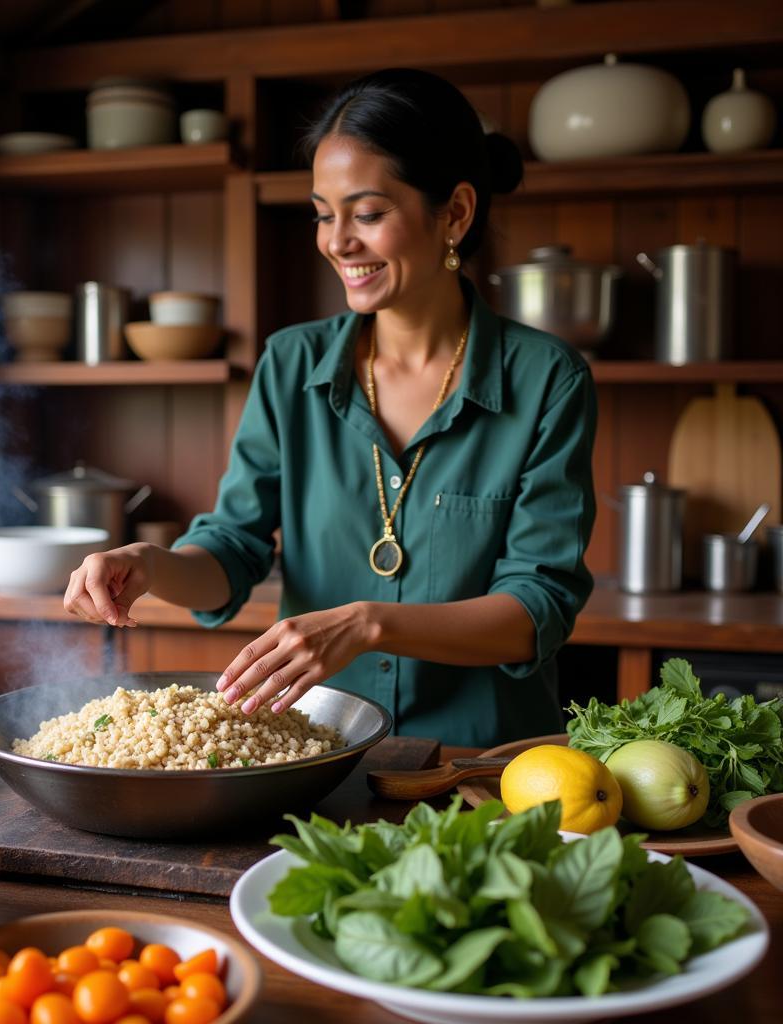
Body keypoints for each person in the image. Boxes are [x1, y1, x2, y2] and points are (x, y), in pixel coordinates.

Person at [64, 68, 596, 747]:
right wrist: (151, 563)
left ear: (455, 213)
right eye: (323, 213)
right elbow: (233, 546)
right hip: (324, 754)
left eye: (368, 214)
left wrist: (370, 623)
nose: (337, 241)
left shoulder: (548, 378)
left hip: (483, 766)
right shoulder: (291, 364)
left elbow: (535, 608)